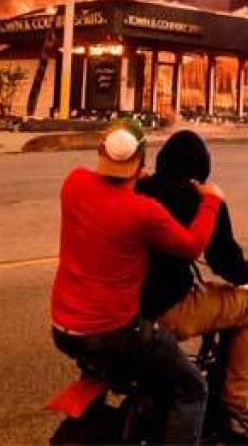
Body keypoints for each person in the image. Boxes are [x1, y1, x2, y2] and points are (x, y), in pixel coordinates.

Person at [50, 119, 224, 444]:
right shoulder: (143, 212)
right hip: (117, 332)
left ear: (101, 152)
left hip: (63, 329)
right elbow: (192, 245)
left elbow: (101, 189)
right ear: (142, 161)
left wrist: (129, 178)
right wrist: (212, 201)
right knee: (191, 389)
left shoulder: (73, 183)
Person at [137, 130, 248, 443]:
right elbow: (227, 265)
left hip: (127, 304)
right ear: (203, 167)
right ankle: (237, 403)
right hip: (168, 308)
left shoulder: (138, 187)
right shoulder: (203, 200)